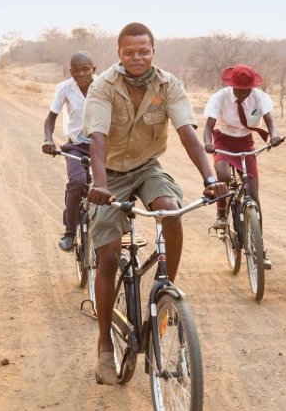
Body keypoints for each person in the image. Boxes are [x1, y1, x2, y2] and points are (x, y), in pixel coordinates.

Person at [84, 23, 226, 385]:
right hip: (110, 174)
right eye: (129, 51)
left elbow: (187, 133)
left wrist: (210, 179)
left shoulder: (168, 85)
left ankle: (165, 292)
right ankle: (104, 343)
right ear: (119, 53)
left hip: (147, 167)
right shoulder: (103, 86)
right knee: (111, 256)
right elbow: (97, 142)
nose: (137, 57)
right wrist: (99, 185)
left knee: (169, 208)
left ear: (153, 52)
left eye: (143, 51)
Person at [202, 64, 283, 265]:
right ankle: (222, 212)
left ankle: (259, 247)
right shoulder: (220, 97)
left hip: (246, 143)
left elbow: (270, 122)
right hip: (223, 141)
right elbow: (208, 128)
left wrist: (274, 135)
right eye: (239, 89)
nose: (243, 94)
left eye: (247, 90)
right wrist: (209, 143)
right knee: (223, 175)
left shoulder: (259, 97)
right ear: (232, 86)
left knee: (253, 195)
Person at [41, 51, 96, 252]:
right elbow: (50, 118)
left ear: (94, 70)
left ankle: (118, 230)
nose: (81, 74)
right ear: (70, 71)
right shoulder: (65, 88)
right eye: (76, 71)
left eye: (86, 69)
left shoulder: (105, 86)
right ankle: (70, 232)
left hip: (103, 146)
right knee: (78, 182)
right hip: (77, 147)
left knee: (114, 184)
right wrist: (48, 139)